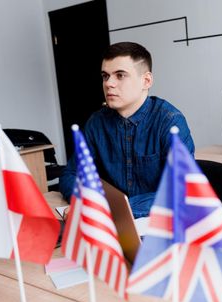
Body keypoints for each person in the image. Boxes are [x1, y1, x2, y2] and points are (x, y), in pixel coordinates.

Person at [59, 42, 195, 218]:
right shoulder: (96, 122)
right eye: (105, 76)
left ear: (146, 81)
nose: (109, 84)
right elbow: (71, 174)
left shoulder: (170, 121)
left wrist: (114, 209)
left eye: (120, 75)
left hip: (158, 224)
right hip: (109, 223)